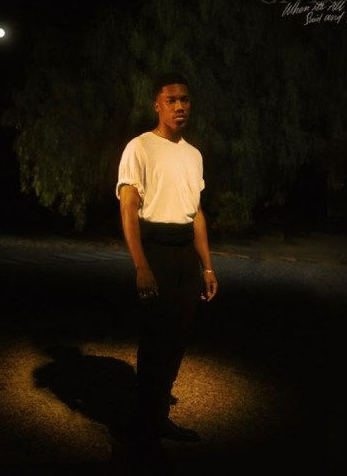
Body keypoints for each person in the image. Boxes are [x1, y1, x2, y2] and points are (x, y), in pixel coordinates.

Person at [115, 73, 218, 450]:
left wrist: (207, 266)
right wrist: (141, 265)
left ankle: (158, 418)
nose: (180, 106)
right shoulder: (140, 147)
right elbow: (128, 208)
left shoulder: (194, 155)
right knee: (154, 339)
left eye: (185, 100)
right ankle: (141, 426)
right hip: (155, 248)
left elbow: (197, 214)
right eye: (171, 100)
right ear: (156, 105)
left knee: (177, 339)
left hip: (185, 253)